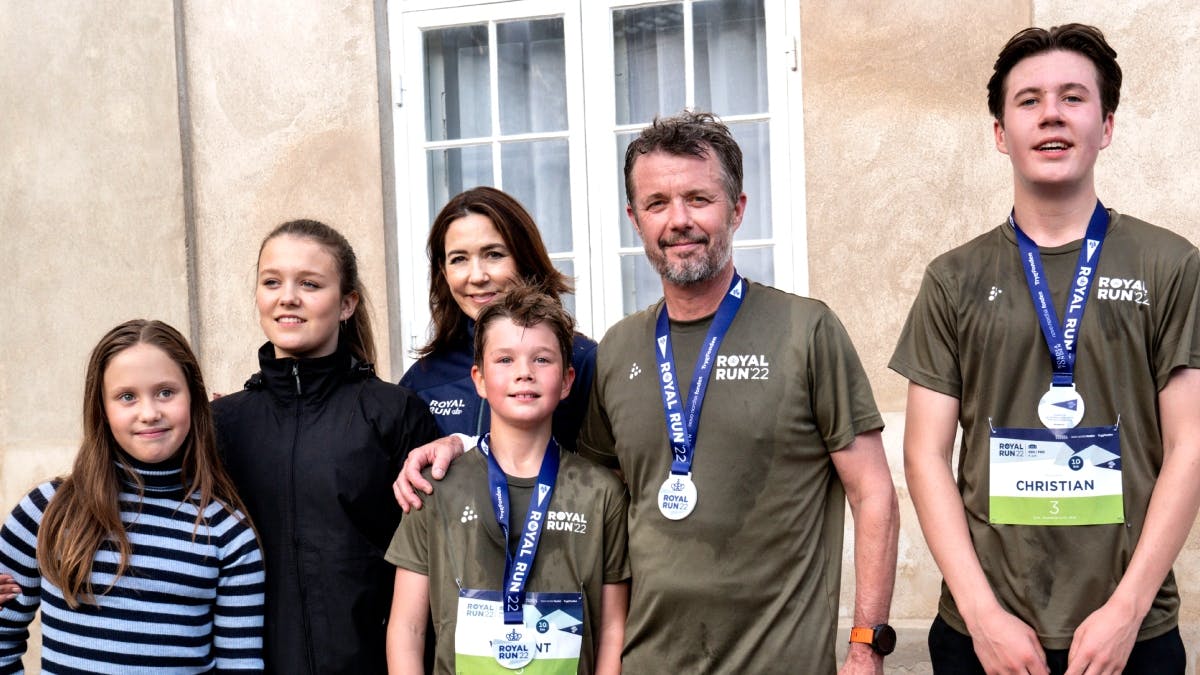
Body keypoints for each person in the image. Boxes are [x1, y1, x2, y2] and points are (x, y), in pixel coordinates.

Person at [397, 111, 900, 674]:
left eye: (699, 199)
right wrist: (460, 447)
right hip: (645, 661)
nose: (678, 220)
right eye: (657, 203)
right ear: (635, 219)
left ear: (738, 209)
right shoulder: (618, 350)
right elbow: (573, 488)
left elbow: (873, 494)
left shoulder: (806, 331)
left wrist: (866, 643)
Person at [891, 24, 1200, 674]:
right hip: (984, 636)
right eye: (1028, 100)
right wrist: (981, 615)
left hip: (1131, 636)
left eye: (1073, 97)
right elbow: (923, 454)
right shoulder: (954, 278)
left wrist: (1127, 610)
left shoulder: (1169, 265)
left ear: (1107, 125)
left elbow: (1191, 444)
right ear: (1001, 133)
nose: (1051, 113)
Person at [213, 220, 440, 674]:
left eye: (310, 284)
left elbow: (430, 561)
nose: (288, 297)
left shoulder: (395, 414)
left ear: (346, 304)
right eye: (272, 281)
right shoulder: (222, 424)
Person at [385, 284, 629, 674]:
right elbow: (407, 627)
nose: (523, 373)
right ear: (479, 379)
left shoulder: (603, 493)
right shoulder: (434, 487)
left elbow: (614, 629)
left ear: (567, 381)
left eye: (542, 360)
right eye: (505, 360)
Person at [0, 319, 265, 672]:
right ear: (103, 409)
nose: (149, 412)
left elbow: (241, 667)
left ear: (194, 398)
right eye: (127, 396)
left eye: (166, 392)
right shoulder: (47, 510)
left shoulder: (229, 535)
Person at [399, 187, 597, 451]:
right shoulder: (422, 380)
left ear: (525, 259)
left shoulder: (583, 362)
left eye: (494, 254)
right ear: (443, 274)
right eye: (459, 259)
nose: (477, 276)